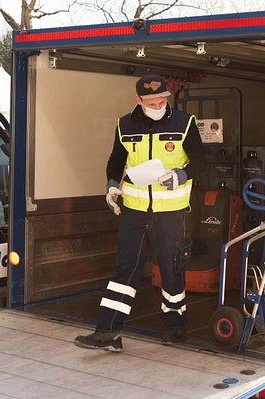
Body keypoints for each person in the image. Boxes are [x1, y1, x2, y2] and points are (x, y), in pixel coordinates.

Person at [74, 74, 204, 352]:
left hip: (170, 212)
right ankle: (107, 332)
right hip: (133, 211)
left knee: (171, 270)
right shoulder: (125, 124)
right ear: (139, 100)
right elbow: (115, 160)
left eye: (162, 99)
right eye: (151, 101)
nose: (158, 104)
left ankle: (175, 327)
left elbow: (203, 162)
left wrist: (181, 175)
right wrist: (111, 185)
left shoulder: (185, 123)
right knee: (125, 268)